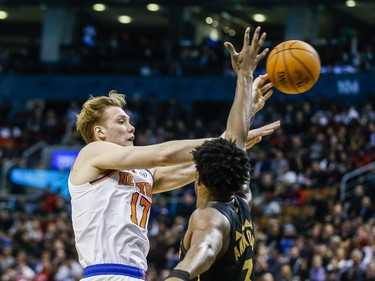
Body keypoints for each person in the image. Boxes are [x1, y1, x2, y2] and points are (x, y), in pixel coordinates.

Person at [68, 26, 279, 281]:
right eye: (121, 121)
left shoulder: (141, 175)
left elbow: (202, 165)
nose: (131, 127)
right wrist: (232, 138)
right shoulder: (92, 153)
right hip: (104, 275)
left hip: (136, 275)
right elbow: (163, 155)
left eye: (129, 120)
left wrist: (241, 126)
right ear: (99, 131)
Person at [164, 27, 273, 281]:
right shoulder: (242, 202)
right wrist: (245, 77)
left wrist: (177, 277)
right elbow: (235, 142)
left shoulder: (209, 218)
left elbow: (206, 248)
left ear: (198, 178)